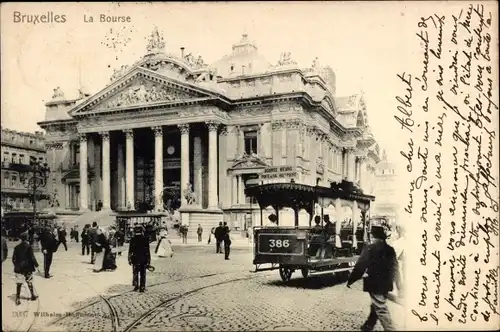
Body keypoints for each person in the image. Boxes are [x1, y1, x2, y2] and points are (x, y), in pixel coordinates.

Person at [346, 225, 402, 331]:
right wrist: (399, 285)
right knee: (376, 305)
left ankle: (390, 329)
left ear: (373, 236)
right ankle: (368, 325)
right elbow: (395, 268)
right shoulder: (390, 249)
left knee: (380, 308)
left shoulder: (370, 248)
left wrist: (351, 280)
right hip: (386, 284)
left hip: (375, 283)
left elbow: (360, 266)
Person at [12, 232, 39, 305]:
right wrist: (36, 265)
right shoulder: (29, 246)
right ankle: (32, 296)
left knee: (19, 283)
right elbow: (32, 258)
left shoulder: (16, 247)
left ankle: (17, 298)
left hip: (19, 268)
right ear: (27, 238)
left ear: (21, 238)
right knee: (29, 281)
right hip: (27, 268)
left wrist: (17, 265)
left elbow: (13, 259)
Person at [128, 225, 151, 292]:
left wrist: (129, 259)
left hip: (135, 258)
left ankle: (136, 286)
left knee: (135, 273)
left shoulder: (132, 239)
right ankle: (142, 287)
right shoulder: (145, 239)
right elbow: (147, 251)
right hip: (143, 259)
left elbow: (130, 250)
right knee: (143, 274)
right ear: (142, 231)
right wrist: (148, 260)